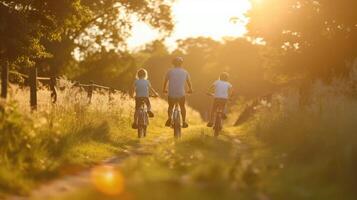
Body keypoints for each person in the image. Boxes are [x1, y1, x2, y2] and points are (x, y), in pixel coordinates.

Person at [163, 57, 193, 128]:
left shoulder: (169, 71)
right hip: (181, 94)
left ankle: (169, 118)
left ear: (173, 64)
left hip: (171, 93)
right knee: (182, 106)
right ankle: (184, 121)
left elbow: (166, 81)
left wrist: (164, 89)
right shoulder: (185, 72)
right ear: (181, 64)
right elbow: (188, 82)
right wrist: (190, 89)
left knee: (170, 106)